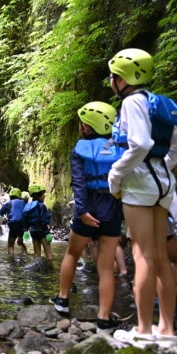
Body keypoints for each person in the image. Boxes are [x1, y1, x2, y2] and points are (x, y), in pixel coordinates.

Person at [107, 48, 177, 346]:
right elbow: (173, 151)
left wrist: (115, 175)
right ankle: (167, 331)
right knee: (161, 257)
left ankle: (142, 329)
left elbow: (139, 143)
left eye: (113, 76)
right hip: (163, 184)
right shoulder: (158, 103)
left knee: (143, 256)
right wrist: (159, 169)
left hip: (139, 186)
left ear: (123, 79)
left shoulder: (132, 103)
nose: (112, 81)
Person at [49, 101, 123, 334]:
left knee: (72, 252)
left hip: (87, 209)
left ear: (87, 127)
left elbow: (79, 183)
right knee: (105, 267)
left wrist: (82, 211)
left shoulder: (79, 150)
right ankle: (103, 317)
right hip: (111, 210)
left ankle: (62, 299)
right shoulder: (120, 149)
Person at [23, 184, 52, 259]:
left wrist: (26, 230)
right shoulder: (41, 206)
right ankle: (51, 269)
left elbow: (25, 220)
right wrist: (47, 233)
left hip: (32, 231)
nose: (44, 196)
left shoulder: (28, 206)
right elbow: (43, 220)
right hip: (42, 231)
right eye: (43, 194)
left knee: (36, 253)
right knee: (48, 252)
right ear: (39, 196)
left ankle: (35, 268)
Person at [0, 187, 29, 256]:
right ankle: (25, 255)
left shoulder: (8, 203)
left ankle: (11, 260)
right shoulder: (24, 203)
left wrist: (3, 220)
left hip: (14, 224)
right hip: (23, 225)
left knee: (10, 245)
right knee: (20, 242)